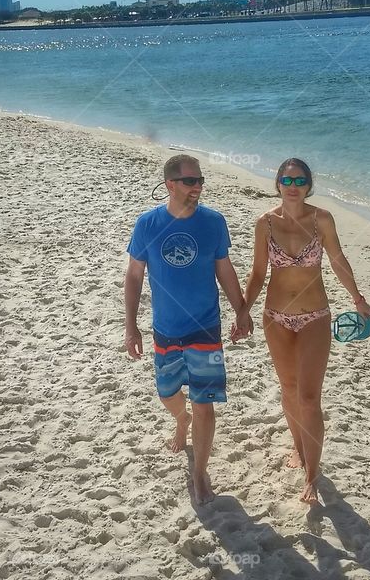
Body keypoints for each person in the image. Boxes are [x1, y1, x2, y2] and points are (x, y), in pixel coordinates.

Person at [238, 158, 370, 505]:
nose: (293, 186)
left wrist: (358, 298)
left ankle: (312, 474)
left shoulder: (322, 219)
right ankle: (298, 448)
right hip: (275, 317)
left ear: (309, 186)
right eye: (287, 179)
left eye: (300, 181)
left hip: (315, 316)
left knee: (310, 397)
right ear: (278, 183)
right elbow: (257, 274)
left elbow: (338, 260)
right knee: (289, 388)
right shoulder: (264, 223)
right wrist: (242, 310)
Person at [124, 154, 252, 504]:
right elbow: (134, 276)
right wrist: (130, 326)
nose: (198, 187)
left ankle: (198, 474)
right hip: (166, 328)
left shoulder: (213, 222)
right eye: (190, 181)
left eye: (200, 181)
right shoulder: (148, 225)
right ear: (170, 184)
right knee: (167, 394)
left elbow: (224, 270)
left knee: (204, 404)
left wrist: (241, 310)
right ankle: (181, 421)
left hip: (205, 328)